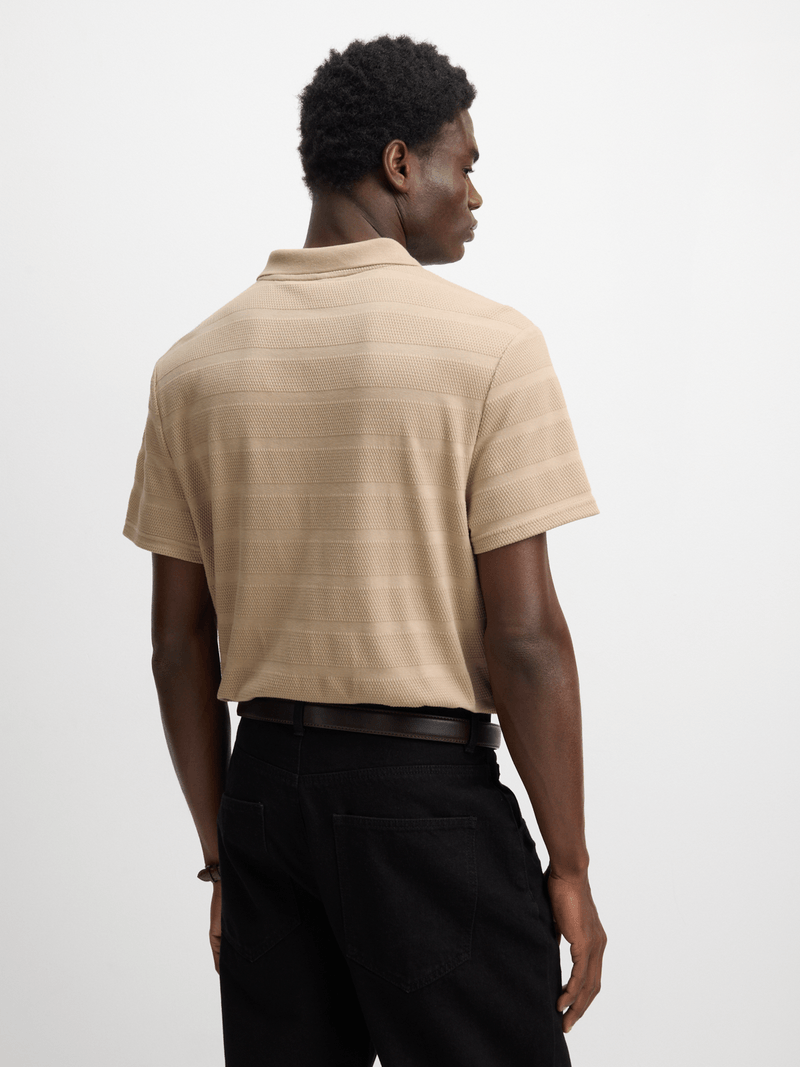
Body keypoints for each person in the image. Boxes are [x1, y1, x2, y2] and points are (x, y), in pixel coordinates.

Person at [124, 33, 606, 1067]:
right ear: (398, 163)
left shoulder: (191, 367)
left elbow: (177, 646)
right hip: (424, 803)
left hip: (263, 795)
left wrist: (227, 857)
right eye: (463, 164)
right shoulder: (490, 347)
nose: (474, 193)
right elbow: (525, 638)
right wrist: (567, 864)